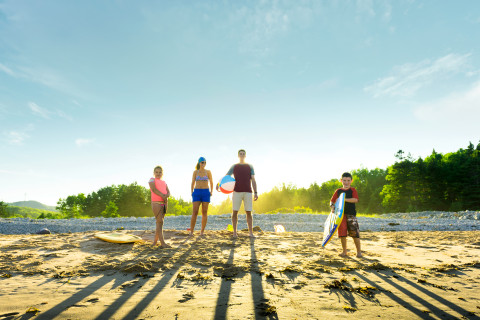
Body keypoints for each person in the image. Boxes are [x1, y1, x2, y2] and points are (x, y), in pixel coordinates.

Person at [218, 149, 258, 238]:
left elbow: (253, 180)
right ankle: (235, 233)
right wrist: (219, 184)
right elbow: (226, 176)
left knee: (249, 213)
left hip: (248, 191)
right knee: (235, 212)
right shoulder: (234, 166)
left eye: (243, 154)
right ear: (238, 156)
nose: (242, 155)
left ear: (245, 156)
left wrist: (255, 192)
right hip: (236, 191)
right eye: (240, 154)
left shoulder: (250, 166)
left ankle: (251, 233)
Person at [330, 172, 362, 257]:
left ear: (351, 181)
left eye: (348, 180)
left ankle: (359, 252)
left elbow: (355, 200)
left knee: (355, 233)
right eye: (344, 180)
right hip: (340, 215)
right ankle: (344, 252)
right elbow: (332, 201)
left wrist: (343, 199)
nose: (346, 182)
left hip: (351, 215)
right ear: (341, 180)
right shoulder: (338, 191)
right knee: (342, 234)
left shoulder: (353, 190)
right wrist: (332, 207)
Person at [190, 156, 213, 237]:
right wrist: (191, 192)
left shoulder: (208, 172)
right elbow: (192, 182)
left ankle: (202, 231)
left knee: (204, 212)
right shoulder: (195, 172)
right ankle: (191, 231)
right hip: (197, 192)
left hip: (206, 192)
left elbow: (211, 182)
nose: (203, 164)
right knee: (195, 212)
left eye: (204, 162)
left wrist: (211, 191)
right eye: (202, 162)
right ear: (199, 163)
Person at [148, 165, 171, 248]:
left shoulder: (164, 182)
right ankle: (162, 243)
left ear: (162, 173)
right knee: (159, 221)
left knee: (160, 222)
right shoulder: (152, 179)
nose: (158, 173)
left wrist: (166, 195)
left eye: (160, 172)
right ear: (154, 173)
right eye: (156, 172)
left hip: (164, 203)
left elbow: (168, 192)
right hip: (156, 203)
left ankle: (155, 242)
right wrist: (163, 195)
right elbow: (153, 189)